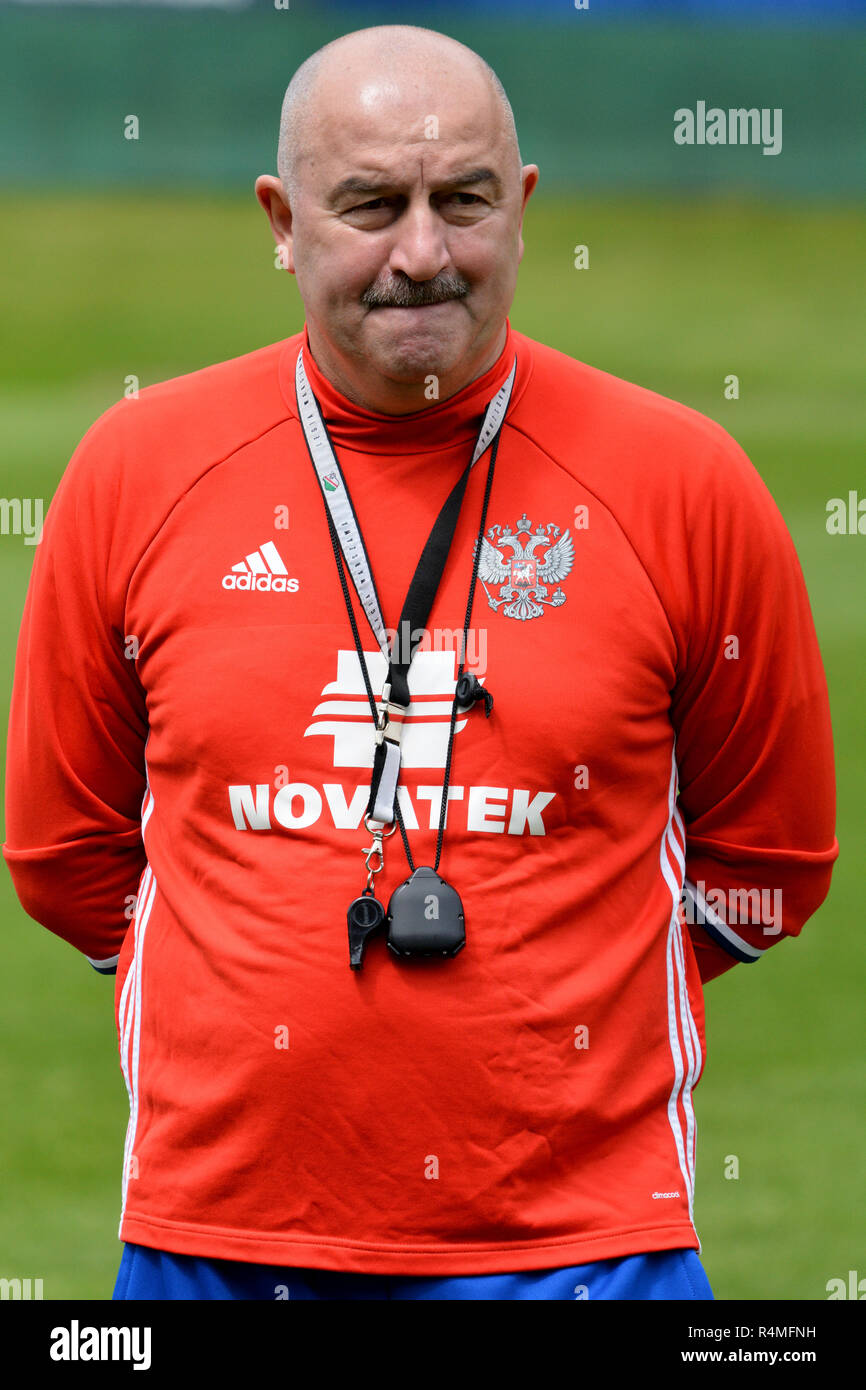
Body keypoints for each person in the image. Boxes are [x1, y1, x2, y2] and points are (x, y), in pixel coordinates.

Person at [3, 24, 838, 1302]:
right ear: (281, 221)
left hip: (584, 1255)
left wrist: (573, 997)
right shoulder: (134, 474)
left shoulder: (684, 485)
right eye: (369, 205)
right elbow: (64, 853)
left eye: (462, 203)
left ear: (523, 206)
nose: (422, 254)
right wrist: (239, 977)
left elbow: (771, 862)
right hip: (218, 1248)